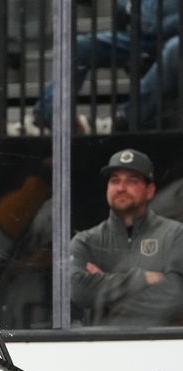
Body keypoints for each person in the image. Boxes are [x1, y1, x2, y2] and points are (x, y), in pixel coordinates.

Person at [71, 148, 183, 325]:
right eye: (115, 181)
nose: (121, 188)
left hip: (160, 348)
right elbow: (77, 290)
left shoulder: (175, 234)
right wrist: (141, 279)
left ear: (150, 190)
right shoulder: (87, 241)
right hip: (101, 349)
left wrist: (104, 299)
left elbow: (177, 297)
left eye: (132, 181)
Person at [34, 0, 179, 131]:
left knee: (175, 48)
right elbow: (124, 13)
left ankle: (125, 118)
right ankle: (50, 115)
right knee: (77, 47)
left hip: (173, 39)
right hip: (139, 40)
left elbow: (153, 22)